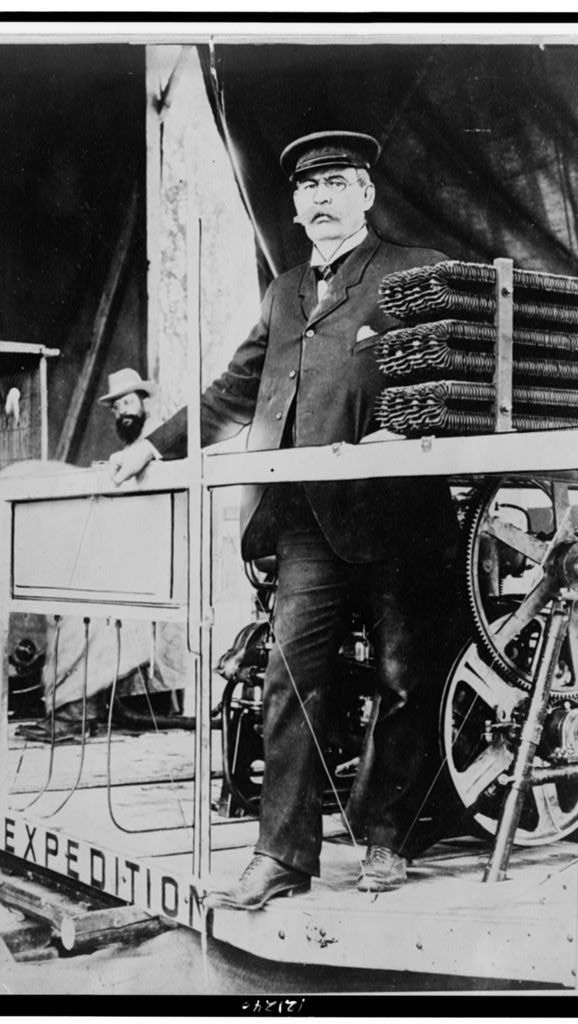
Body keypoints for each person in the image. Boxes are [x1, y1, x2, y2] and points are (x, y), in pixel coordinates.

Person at [109, 130, 460, 907]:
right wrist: (154, 451)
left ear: (366, 195)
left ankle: (384, 837)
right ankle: (281, 856)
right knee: (288, 682)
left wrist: (413, 423)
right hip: (304, 519)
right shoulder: (285, 289)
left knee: (404, 680)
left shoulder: (414, 271)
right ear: (297, 209)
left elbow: (459, 370)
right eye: (309, 189)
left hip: (399, 515)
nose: (322, 199)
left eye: (338, 183)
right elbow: (232, 391)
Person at [99, 367, 158, 447]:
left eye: (127, 403)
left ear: (145, 403)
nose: (122, 411)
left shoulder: (159, 433)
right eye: (116, 407)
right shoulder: (129, 449)